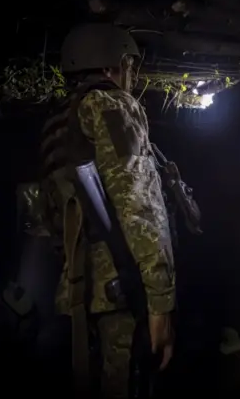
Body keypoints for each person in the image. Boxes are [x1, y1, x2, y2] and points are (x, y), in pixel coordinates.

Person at [38, 23, 176, 398]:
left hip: (79, 284)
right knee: (126, 383)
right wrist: (160, 300)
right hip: (119, 283)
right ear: (115, 64)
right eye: (130, 65)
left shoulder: (61, 117)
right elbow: (140, 207)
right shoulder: (110, 104)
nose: (132, 75)